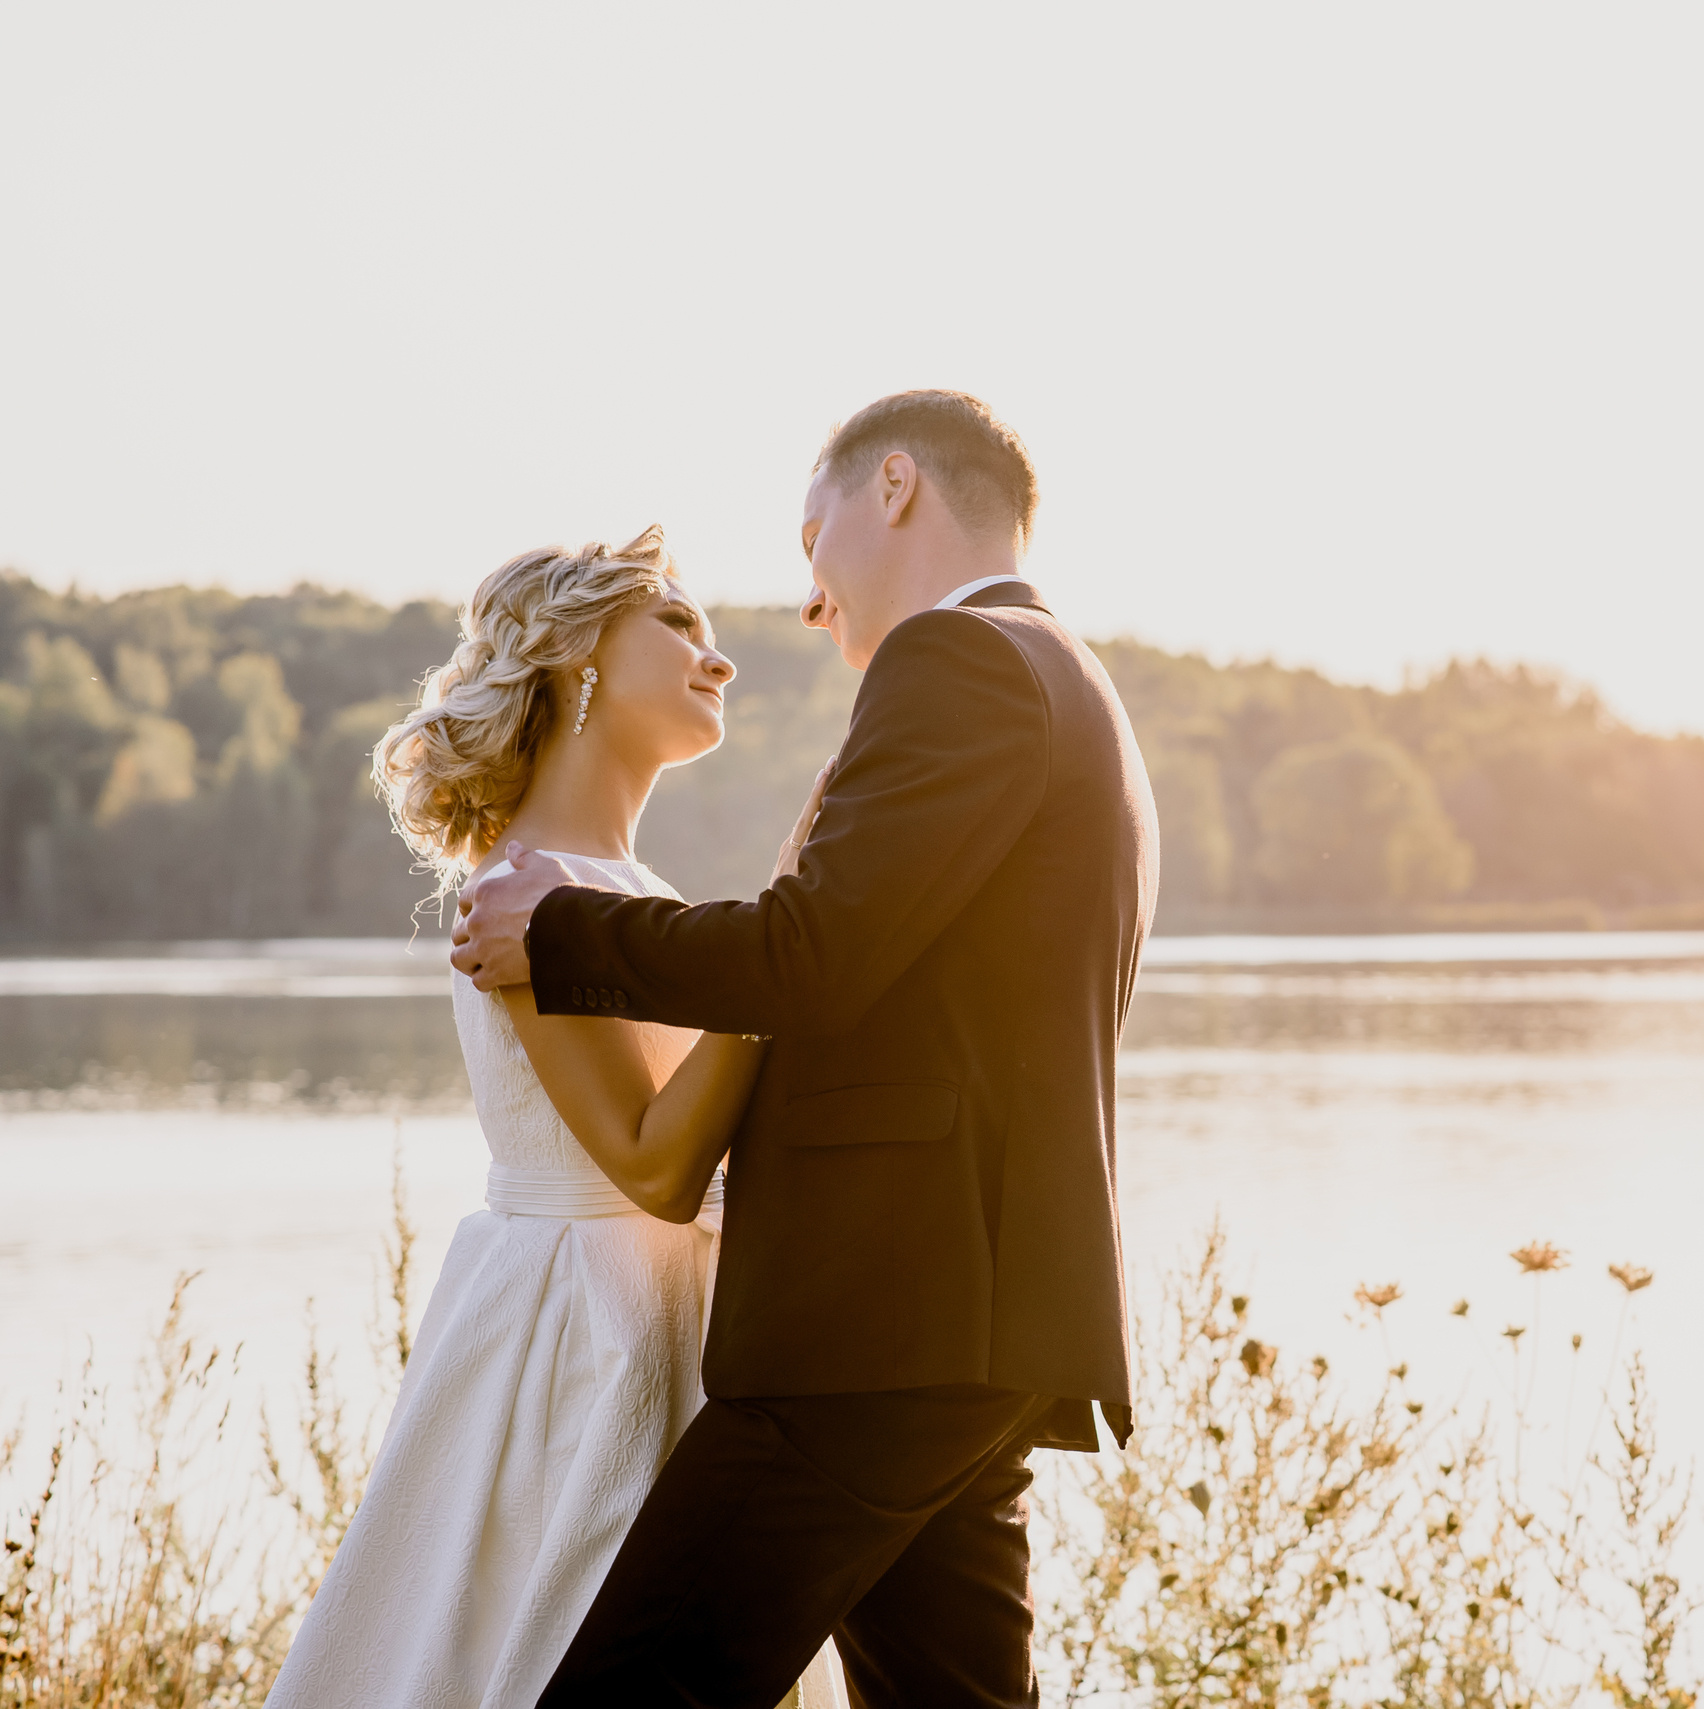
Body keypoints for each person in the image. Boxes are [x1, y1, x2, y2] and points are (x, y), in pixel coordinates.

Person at [451, 390, 1159, 1708]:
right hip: (980, 1322)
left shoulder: (960, 659)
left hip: (878, 1324)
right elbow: (861, 962)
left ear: (894, 488)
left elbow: (812, 954)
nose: (812, 595)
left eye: (810, 534)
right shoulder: (1071, 676)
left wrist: (559, 930)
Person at [269, 528, 851, 1707]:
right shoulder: (518, 892)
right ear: (578, 657)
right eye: (679, 623)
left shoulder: (641, 900)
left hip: (691, 1319)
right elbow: (653, 1166)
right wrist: (778, 976)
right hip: (589, 1342)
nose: (719, 656)